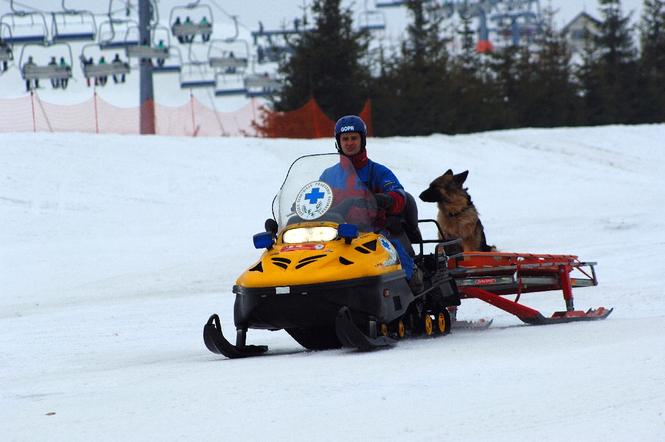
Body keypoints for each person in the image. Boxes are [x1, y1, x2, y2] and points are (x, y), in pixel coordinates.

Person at [320, 115, 422, 291]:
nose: (349, 143)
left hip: (373, 230)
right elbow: (319, 200)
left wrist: (386, 199)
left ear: (363, 140)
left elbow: (399, 194)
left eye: (354, 138)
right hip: (336, 234)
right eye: (345, 139)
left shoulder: (378, 171)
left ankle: (410, 284)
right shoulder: (328, 176)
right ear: (338, 142)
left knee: (394, 250)